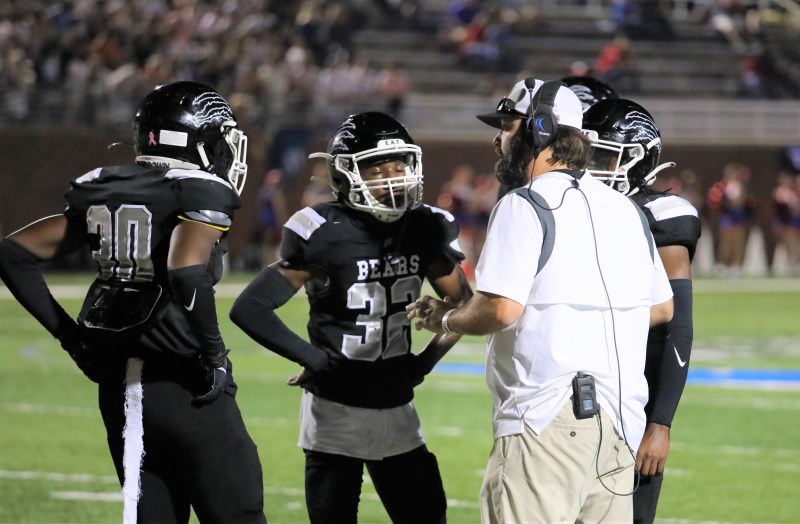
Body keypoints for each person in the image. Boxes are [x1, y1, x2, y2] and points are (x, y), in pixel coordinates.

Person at [407, 78, 674, 523]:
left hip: (546, 420)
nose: (498, 139)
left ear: (540, 129)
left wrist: (448, 318)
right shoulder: (626, 209)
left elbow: (501, 309)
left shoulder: (524, 204)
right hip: (620, 424)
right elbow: (662, 308)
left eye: (507, 126)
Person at [0, 81, 266, 524]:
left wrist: (71, 338)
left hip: (120, 390)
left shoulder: (106, 185)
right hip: (184, 384)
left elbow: (12, 253)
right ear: (198, 140)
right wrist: (214, 353)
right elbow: (186, 270)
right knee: (238, 512)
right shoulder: (198, 189)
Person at [230, 111, 473, 524]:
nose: (393, 179)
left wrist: (423, 364)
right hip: (333, 413)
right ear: (346, 174)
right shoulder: (324, 230)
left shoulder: (424, 226)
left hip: (396, 407)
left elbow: (463, 305)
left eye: (399, 167)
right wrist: (315, 358)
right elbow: (250, 308)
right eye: (378, 170)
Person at [582, 97, 702, 524]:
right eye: (588, 154)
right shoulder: (570, 206)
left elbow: (677, 326)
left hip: (632, 403)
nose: (592, 167)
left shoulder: (663, 214)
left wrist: (660, 423)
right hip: (567, 396)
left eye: (604, 156)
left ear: (640, 158)